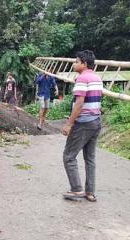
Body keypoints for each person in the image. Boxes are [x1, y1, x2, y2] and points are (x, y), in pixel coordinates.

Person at [62, 50, 103, 202]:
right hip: (96, 121)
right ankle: (90, 192)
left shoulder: (82, 79)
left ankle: (76, 189)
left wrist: (69, 124)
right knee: (90, 158)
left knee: (68, 156)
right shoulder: (97, 78)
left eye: (76, 61)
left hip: (83, 123)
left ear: (84, 64)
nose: (74, 64)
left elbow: (79, 103)